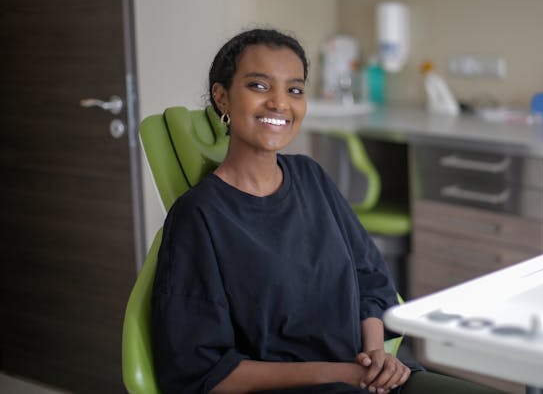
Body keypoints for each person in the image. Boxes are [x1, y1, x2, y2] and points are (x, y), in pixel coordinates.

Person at [151, 28, 505, 394]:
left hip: (370, 379)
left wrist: (375, 356)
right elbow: (203, 372)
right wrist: (340, 374)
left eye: (295, 89)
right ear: (222, 98)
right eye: (258, 86)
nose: (279, 103)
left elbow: (370, 277)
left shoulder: (310, 176)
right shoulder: (199, 217)